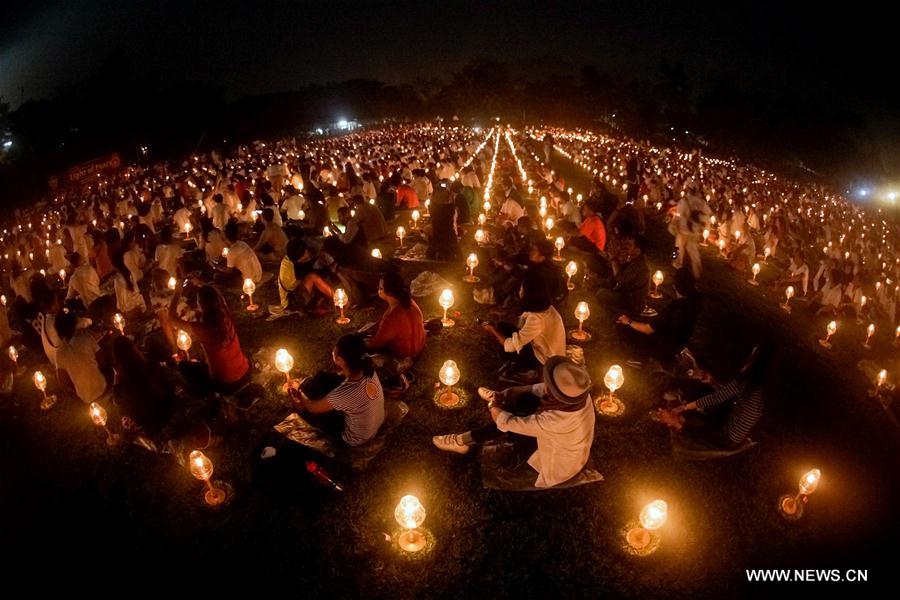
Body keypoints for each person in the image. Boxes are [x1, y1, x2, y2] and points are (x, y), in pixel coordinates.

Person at [432, 356, 595, 489]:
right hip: (563, 442)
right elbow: (537, 389)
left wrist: (493, 405)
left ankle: (462, 441)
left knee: (512, 417)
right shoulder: (575, 397)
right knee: (524, 401)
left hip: (558, 462)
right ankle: (467, 438)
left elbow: (507, 422)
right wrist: (504, 394)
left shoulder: (556, 421)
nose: (545, 384)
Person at [655, 343, 777, 449]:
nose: (747, 360)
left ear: (755, 362)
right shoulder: (758, 382)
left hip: (727, 437)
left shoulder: (749, 380)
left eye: (751, 357)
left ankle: (677, 420)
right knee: (706, 399)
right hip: (732, 431)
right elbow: (727, 395)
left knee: (704, 410)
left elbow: (718, 397)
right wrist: (711, 380)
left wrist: (684, 407)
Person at [289, 333, 385, 447]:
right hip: (374, 425)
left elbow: (312, 407)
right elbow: (341, 377)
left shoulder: (344, 393)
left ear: (340, 360)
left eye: (336, 347)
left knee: (306, 412)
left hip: (353, 439)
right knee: (323, 376)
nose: (333, 349)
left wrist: (299, 393)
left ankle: (302, 411)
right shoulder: (369, 370)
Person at [481, 268, 566, 382]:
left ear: (529, 294)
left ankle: (528, 370)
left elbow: (511, 346)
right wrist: (503, 315)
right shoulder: (546, 307)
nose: (520, 289)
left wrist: (492, 330)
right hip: (545, 348)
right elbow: (522, 320)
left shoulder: (537, 319)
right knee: (502, 326)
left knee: (503, 349)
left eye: (522, 288)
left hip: (545, 359)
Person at [168, 283, 250, 393]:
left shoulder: (203, 329)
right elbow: (219, 297)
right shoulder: (225, 313)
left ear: (200, 304)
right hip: (246, 373)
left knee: (184, 366)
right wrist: (200, 284)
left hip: (226, 385)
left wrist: (178, 291)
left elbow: (172, 318)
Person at [617, 267, 699, 366]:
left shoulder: (675, 309)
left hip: (664, 349)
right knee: (642, 320)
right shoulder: (694, 302)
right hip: (678, 345)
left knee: (623, 327)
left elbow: (647, 329)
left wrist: (628, 321)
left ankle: (639, 358)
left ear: (675, 286)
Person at [364, 270, 426, 361]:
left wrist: (361, 343)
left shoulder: (391, 318)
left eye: (380, 288)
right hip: (419, 346)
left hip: (404, 355)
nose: (378, 290)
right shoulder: (409, 301)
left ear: (389, 293)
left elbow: (377, 343)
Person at [54, 309, 108, 404]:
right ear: (75, 325)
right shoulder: (86, 338)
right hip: (102, 387)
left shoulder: (60, 353)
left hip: (85, 398)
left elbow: (63, 382)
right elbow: (102, 362)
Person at [278, 237, 334, 313]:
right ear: (301, 256)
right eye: (306, 251)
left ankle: (318, 302)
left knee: (318, 278)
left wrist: (316, 257)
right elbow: (310, 270)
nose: (307, 252)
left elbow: (307, 265)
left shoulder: (290, 259)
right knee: (313, 277)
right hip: (292, 302)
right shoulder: (294, 269)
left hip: (294, 293)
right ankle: (337, 298)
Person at [219, 220, 262, 285]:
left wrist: (216, 267)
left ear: (226, 236)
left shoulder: (232, 252)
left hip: (251, 279)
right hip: (259, 273)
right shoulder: (242, 243)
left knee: (218, 277)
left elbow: (228, 272)